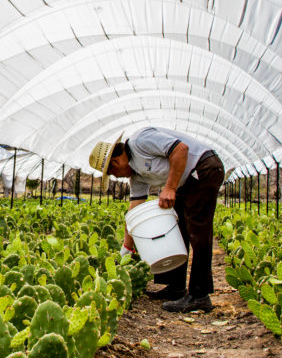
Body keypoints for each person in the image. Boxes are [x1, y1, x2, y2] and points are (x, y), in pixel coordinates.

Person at [89, 127, 224, 312]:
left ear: (115, 162)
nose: (116, 177)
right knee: (176, 228)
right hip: (186, 181)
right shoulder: (136, 176)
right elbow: (133, 213)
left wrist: (169, 187)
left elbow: (180, 149)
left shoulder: (141, 141)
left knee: (198, 230)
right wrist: (126, 249)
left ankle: (200, 296)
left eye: (112, 173)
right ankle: (176, 288)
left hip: (203, 168)